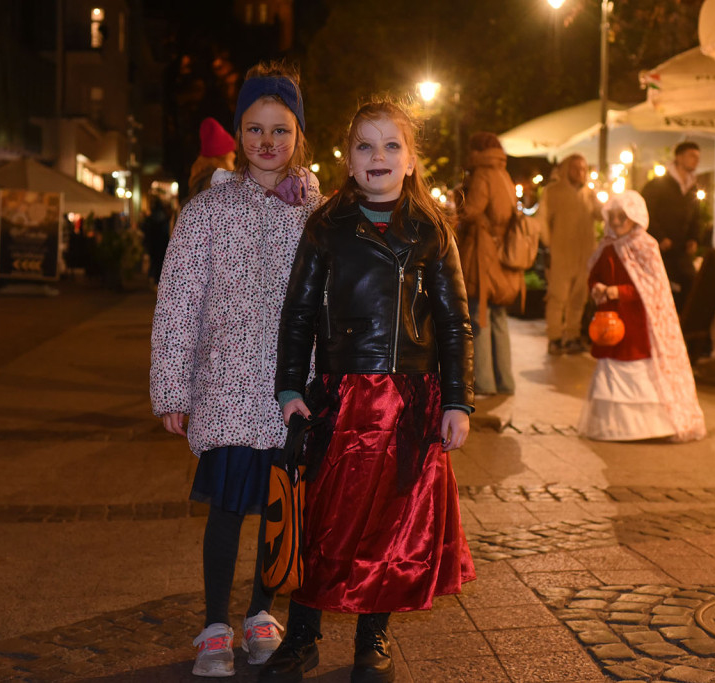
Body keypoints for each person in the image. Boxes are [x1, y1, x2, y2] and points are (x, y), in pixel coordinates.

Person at [267, 99, 476, 683]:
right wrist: (289, 387)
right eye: (365, 146)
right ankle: (303, 635)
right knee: (324, 519)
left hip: (411, 399)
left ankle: (372, 639)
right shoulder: (326, 224)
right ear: (349, 159)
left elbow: (456, 321)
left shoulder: (432, 228)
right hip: (343, 397)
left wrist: (458, 399)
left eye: (391, 146)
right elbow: (298, 312)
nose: (378, 156)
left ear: (411, 161)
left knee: (394, 523)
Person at [149, 62, 323, 678]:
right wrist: (172, 387)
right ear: (239, 133)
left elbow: (330, 304)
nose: (267, 142)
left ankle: (259, 614)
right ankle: (215, 624)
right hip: (224, 388)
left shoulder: (318, 216)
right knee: (226, 508)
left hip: (290, 394)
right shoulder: (206, 212)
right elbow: (177, 301)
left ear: (299, 133)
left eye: (281, 129)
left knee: (281, 509)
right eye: (255, 128)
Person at [578, 191, 706, 442]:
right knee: (611, 366)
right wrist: (597, 288)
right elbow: (595, 274)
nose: (616, 222)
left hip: (638, 322)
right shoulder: (606, 247)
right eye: (612, 216)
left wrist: (618, 291)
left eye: (622, 217)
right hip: (611, 319)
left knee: (637, 364)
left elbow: (652, 285)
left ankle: (650, 428)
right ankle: (611, 427)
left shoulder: (646, 246)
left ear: (634, 217)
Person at [455, 132, 523, 395]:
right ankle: (505, 381)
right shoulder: (503, 174)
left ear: (477, 151)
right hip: (501, 252)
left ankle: (484, 382)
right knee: (498, 319)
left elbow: (471, 210)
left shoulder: (483, 173)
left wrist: (458, 201)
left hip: (483, 255)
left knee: (479, 315)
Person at [538, 154, 600, 355]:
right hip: (561, 254)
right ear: (566, 170)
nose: (580, 173)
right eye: (575, 168)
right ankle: (555, 337)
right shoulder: (552, 192)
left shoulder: (589, 194)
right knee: (558, 298)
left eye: (583, 169)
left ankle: (572, 335)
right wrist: (548, 245)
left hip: (585, 255)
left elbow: (601, 215)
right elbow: (542, 220)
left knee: (579, 298)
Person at [641, 141, 702, 314]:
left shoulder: (692, 188)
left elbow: (696, 217)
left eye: (698, 157)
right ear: (678, 157)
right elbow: (646, 212)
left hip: (681, 252)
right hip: (660, 252)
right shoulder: (658, 185)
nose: (695, 160)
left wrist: (694, 238)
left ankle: (684, 332)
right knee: (663, 292)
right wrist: (659, 237)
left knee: (690, 287)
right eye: (692, 156)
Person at [187, 117, 237, 201]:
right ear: (224, 160)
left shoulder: (200, 179)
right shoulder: (218, 184)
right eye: (232, 160)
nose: (234, 166)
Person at [141, 192, 172, 284]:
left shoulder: (152, 218)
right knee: (158, 262)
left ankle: (155, 278)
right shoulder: (162, 218)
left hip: (156, 244)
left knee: (156, 261)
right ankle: (157, 278)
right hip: (160, 244)